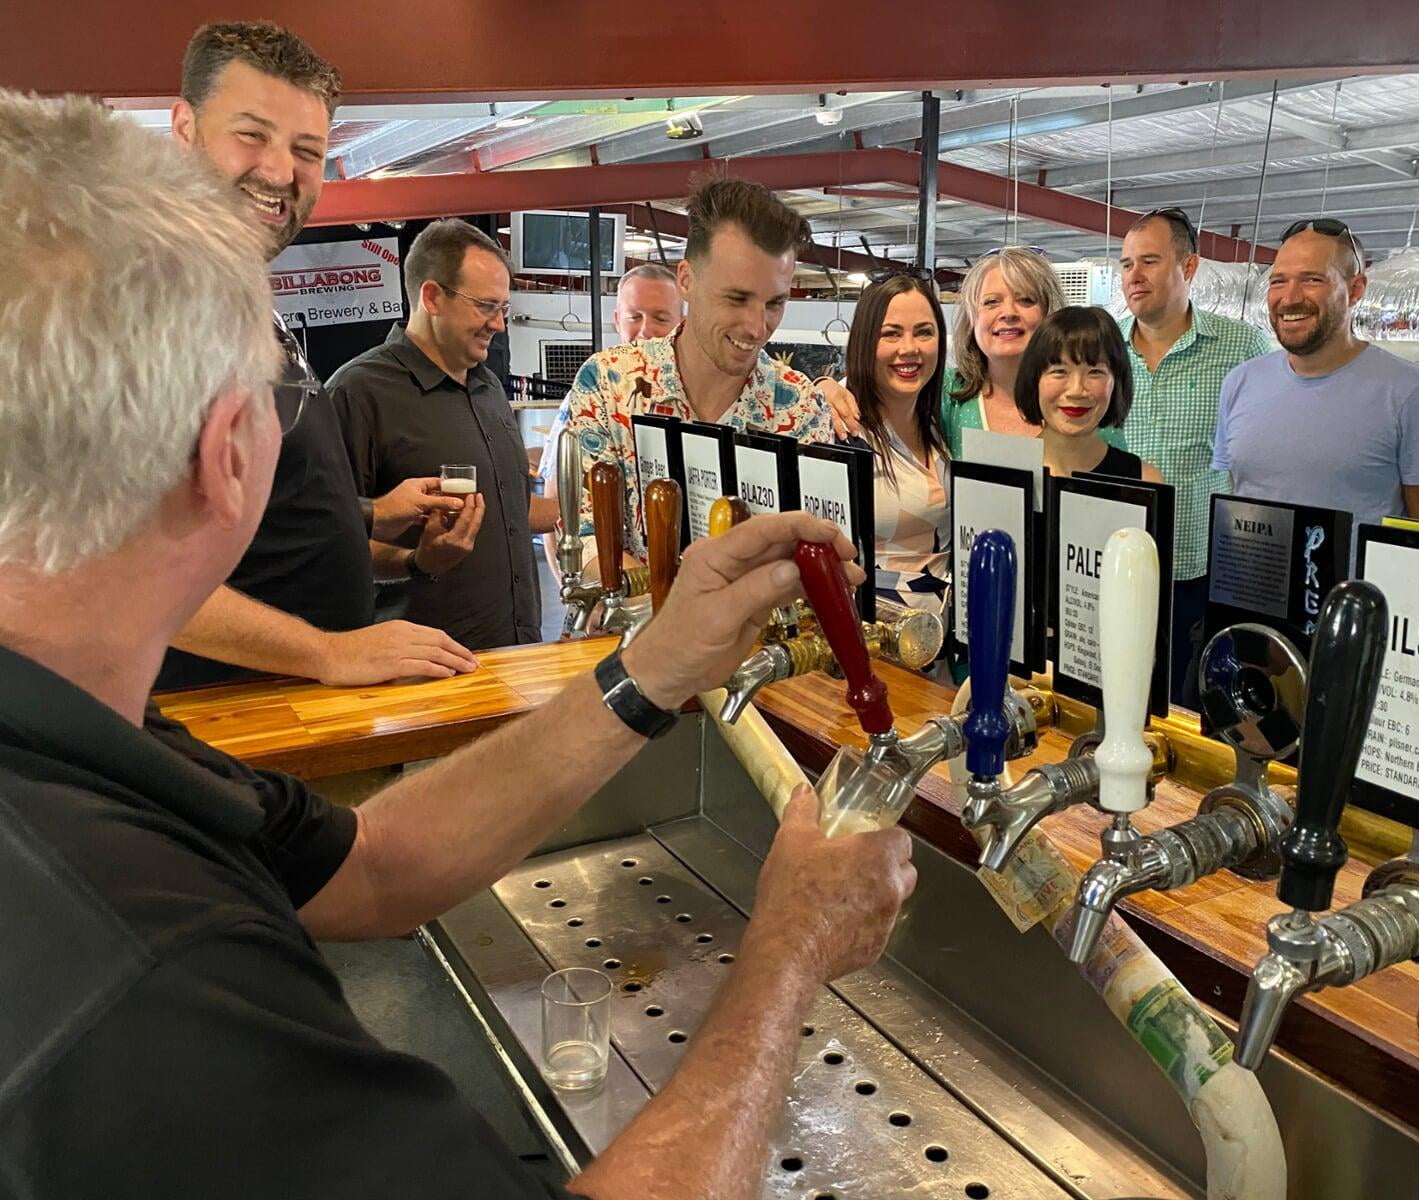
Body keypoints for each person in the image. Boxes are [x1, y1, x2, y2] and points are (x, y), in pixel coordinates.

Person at [0, 90, 915, 1200]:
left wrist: (650, 669)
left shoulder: (89, 747)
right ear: (220, 457)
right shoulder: (157, 984)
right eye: (266, 391)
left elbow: (368, 867)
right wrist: (789, 953)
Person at [158, 20, 478, 689]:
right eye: (252, 135)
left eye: (307, 149)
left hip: (303, 724)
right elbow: (108, 571)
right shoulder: (148, 301)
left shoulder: (243, 302)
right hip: (226, 739)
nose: (281, 171)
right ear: (184, 128)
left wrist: (405, 558)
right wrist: (327, 654)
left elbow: (273, 542)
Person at [560, 177, 836, 560]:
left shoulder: (800, 407)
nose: (757, 327)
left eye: (775, 303)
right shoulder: (609, 383)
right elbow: (585, 538)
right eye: (736, 299)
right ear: (686, 280)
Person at [330, 219, 558, 652]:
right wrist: (417, 562)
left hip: (514, 654)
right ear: (432, 297)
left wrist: (589, 507)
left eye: (504, 309)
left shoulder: (488, 386)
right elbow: (331, 542)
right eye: (486, 307)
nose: (499, 325)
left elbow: (511, 509)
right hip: (418, 673)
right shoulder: (358, 393)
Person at [1212, 219, 1419, 545]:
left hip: (1357, 596)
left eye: (1312, 280)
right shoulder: (1239, 383)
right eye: (1278, 281)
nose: (1290, 298)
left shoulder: (1415, 394)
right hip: (1250, 590)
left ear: (1356, 289)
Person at [1110, 208, 1274, 702]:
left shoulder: (1241, 347)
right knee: (1117, 692)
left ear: (1189, 267)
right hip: (1116, 555)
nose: (1133, 276)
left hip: (1199, 567)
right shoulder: (1105, 348)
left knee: (1188, 700)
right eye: (1124, 264)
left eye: (1149, 261)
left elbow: (1257, 459)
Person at [818, 246, 1066, 455]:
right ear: (972, 318)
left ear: (1050, 312)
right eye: (991, 301)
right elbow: (864, 388)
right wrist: (824, 387)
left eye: (1026, 300)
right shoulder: (947, 392)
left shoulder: (1083, 401)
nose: (1009, 313)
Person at [539, 262, 686, 572]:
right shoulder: (592, 393)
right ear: (618, 320)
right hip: (610, 596)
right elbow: (559, 511)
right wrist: (579, 605)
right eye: (635, 317)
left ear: (681, 324)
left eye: (661, 318)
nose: (645, 330)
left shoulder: (689, 397)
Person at [843, 271, 953, 615]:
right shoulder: (844, 430)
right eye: (891, 334)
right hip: (871, 637)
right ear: (864, 341)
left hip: (941, 646)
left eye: (924, 332)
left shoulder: (941, 420)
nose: (910, 349)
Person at [1017, 307, 1163, 484]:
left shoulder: (1145, 481)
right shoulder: (1003, 473)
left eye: (1095, 372)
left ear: (1116, 383)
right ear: (1034, 380)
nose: (1077, 391)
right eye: (1060, 371)